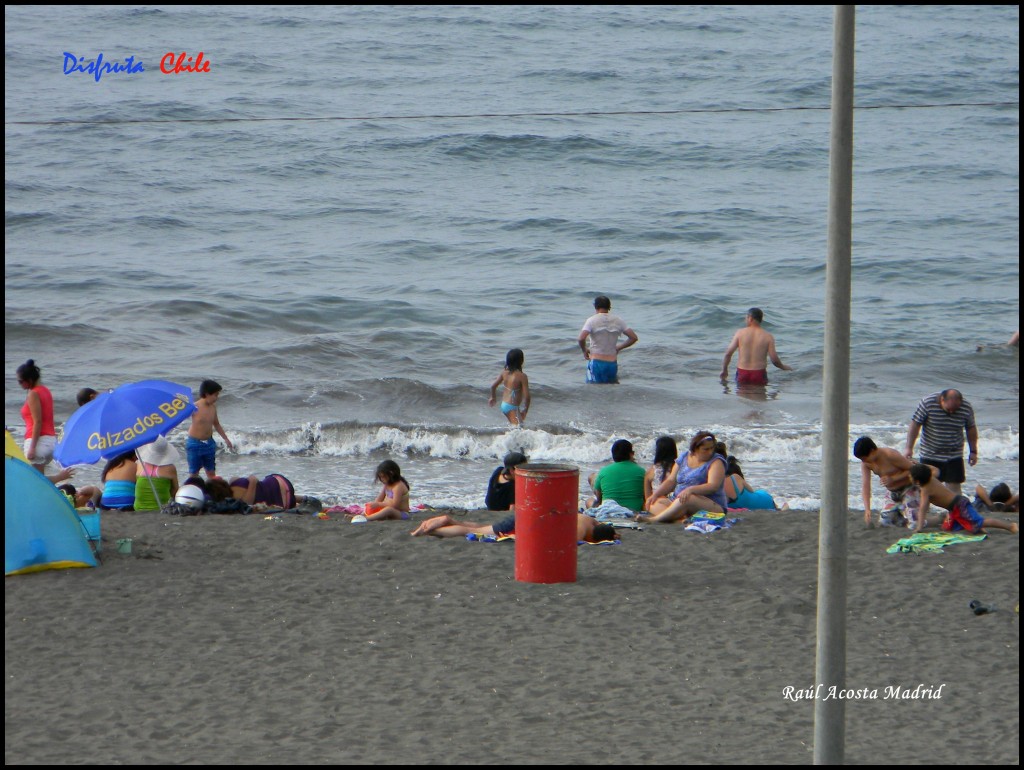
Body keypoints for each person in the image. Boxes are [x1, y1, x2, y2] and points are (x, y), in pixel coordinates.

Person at [639, 430, 728, 523]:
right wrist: (656, 494)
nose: (710, 452)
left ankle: (654, 519)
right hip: (678, 499)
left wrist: (690, 490)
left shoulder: (716, 461)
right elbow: (671, 481)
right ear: (695, 449)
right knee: (652, 503)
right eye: (706, 449)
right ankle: (679, 520)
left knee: (688, 498)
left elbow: (713, 486)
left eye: (712, 448)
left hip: (710, 504)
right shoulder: (684, 457)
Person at [904, 389, 977, 495]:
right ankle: (922, 510)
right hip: (930, 452)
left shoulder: (966, 407)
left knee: (954, 488)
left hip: (954, 454)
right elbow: (915, 424)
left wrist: (973, 451)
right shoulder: (928, 403)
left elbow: (971, 429)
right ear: (942, 400)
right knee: (926, 487)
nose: (952, 412)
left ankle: (954, 511)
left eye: (955, 410)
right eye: (949, 409)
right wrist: (908, 448)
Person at [909, 464, 1017, 534]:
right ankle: (977, 527)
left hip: (959, 505)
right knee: (947, 528)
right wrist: (918, 465)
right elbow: (936, 469)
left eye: (910, 476)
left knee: (982, 522)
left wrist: (919, 527)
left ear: (917, 481)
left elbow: (923, 508)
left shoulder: (925, 490)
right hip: (955, 506)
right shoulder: (931, 477)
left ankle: (1010, 526)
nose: (909, 477)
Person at [411, 512, 619, 543]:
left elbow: (607, 528)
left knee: (481, 526)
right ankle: (435, 529)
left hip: (530, 514)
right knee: (472, 531)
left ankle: (448, 521)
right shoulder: (582, 533)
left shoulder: (589, 519)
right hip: (527, 524)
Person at [853, 436, 919, 527]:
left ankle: (935, 519)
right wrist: (867, 509)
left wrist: (894, 478)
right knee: (885, 522)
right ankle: (901, 514)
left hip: (908, 488)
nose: (864, 461)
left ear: (872, 451)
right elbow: (866, 486)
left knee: (914, 524)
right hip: (892, 492)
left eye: (864, 458)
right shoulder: (866, 464)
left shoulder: (890, 455)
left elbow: (915, 469)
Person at [720, 308, 792, 386]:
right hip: (759, 374)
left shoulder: (740, 333)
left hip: (742, 372)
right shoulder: (768, 336)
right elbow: (775, 360)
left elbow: (728, 353)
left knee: (741, 398)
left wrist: (725, 370)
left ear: (750, 318)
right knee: (760, 397)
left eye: (746, 318)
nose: (745, 320)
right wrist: (784, 367)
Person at [578, 295, 638, 384]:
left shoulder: (591, 320)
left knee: (594, 390)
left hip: (596, 362)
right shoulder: (618, 320)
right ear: (609, 307)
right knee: (611, 390)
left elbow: (581, 338)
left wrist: (584, 350)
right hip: (612, 363)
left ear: (596, 307)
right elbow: (633, 338)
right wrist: (618, 348)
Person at [186, 379, 234, 479]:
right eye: (215, 395)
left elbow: (216, 424)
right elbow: (179, 417)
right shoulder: (194, 407)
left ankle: (212, 492)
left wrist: (226, 439)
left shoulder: (213, 407)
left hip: (209, 443)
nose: (217, 398)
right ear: (207, 394)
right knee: (194, 474)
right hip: (194, 443)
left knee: (211, 473)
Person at [16, 359, 57, 473]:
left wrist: (32, 448)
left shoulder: (33, 394)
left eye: (20, 381)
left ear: (29, 380)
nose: (19, 384)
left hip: (38, 443)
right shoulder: (46, 391)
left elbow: (37, 422)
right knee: (40, 479)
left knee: (33, 482)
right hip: (50, 441)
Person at [586, 439, 647, 513]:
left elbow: (599, 500)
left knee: (589, 501)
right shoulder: (641, 471)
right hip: (634, 510)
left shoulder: (604, 471)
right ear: (631, 454)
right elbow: (646, 497)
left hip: (609, 510)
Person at [134, 436, 180, 510]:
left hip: (138, 508)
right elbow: (175, 491)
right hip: (161, 508)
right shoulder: (170, 468)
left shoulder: (140, 465)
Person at [488, 349, 530, 426]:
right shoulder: (522, 376)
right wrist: (525, 410)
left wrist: (493, 397)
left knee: (517, 428)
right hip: (512, 407)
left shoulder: (504, 373)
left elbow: (493, 386)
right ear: (521, 361)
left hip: (505, 405)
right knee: (519, 428)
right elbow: (527, 396)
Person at [208, 474, 298, 510]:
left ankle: (301, 499)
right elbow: (254, 479)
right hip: (279, 480)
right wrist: (252, 482)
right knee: (265, 489)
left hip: (286, 501)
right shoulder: (233, 480)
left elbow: (249, 502)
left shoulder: (236, 500)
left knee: (265, 494)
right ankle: (303, 498)